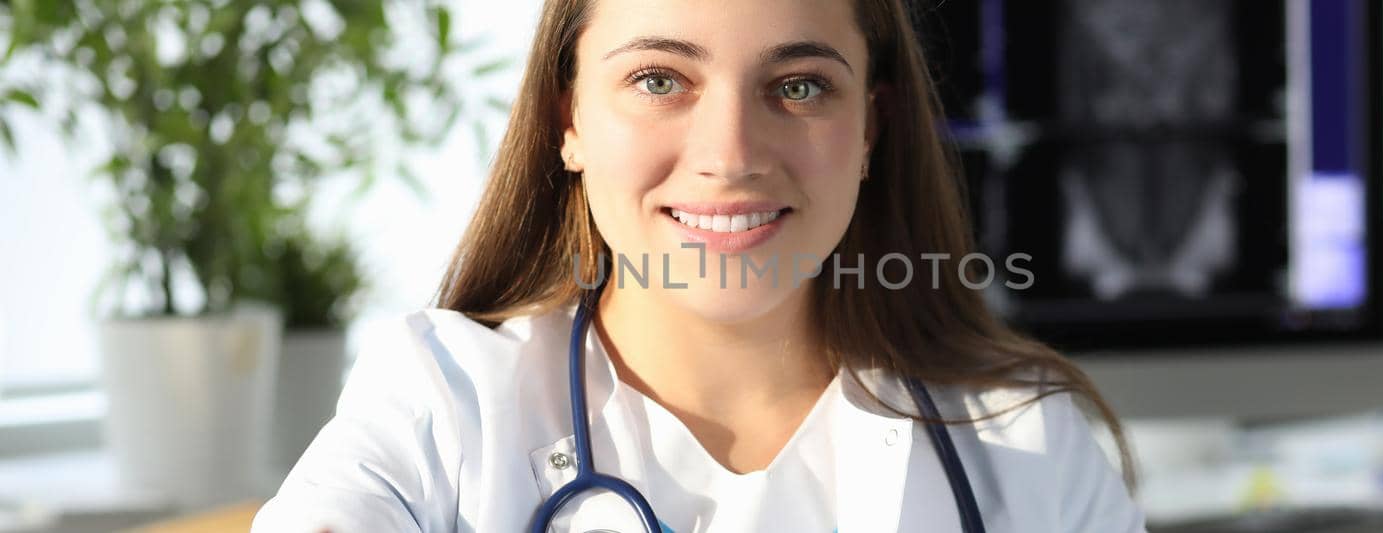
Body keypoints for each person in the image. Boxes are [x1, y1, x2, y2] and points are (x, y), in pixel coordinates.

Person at [254, 0, 1146, 531]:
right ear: (569, 120)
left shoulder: (1031, 446)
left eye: (798, 86)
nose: (730, 153)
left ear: (870, 129)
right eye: (658, 79)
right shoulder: (440, 409)